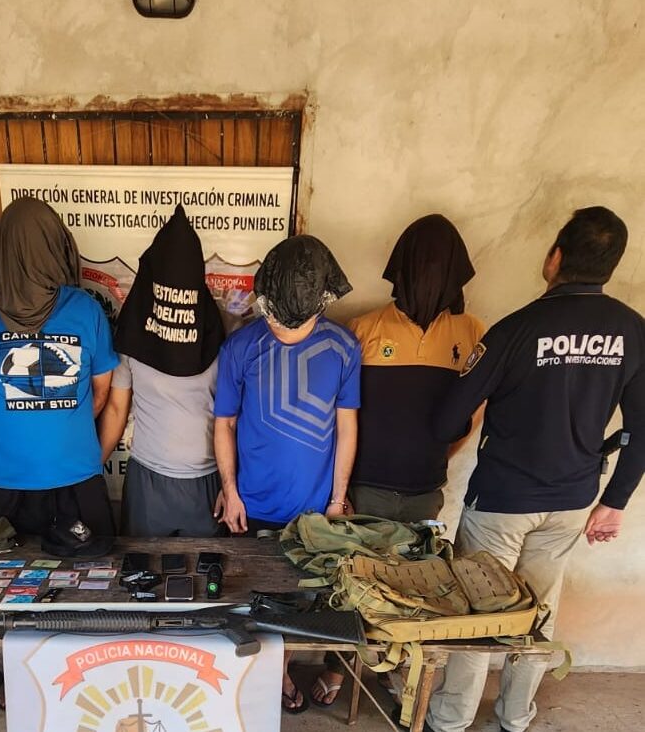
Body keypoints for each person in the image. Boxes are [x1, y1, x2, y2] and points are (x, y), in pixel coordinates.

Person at [424, 207, 644, 732]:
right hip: (572, 500)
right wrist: (614, 502)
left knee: (479, 611)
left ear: (555, 257)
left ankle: (451, 719)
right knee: (538, 611)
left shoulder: (516, 330)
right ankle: (515, 716)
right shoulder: (633, 332)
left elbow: (445, 420)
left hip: (501, 500)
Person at [312, 214, 486, 705]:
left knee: (415, 589)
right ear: (401, 270)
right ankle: (339, 668)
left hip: (425, 489)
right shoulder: (364, 329)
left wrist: (436, 455)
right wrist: (341, 490)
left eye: (439, 268)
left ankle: (395, 671)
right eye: (420, 267)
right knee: (353, 585)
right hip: (366, 487)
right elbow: (341, 415)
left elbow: (473, 412)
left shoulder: (471, 332)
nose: (428, 279)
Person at [213, 234, 361, 714]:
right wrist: (230, 490)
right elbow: (225, 423)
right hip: (252, 505)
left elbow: (346, 425)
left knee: (301, 605)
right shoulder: (241, 346)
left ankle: (280, 673)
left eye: (296, 320)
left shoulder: (343, 347)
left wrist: (337, 500)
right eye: (276, 317)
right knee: (253, 604)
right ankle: (265, 680)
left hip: (314, 513)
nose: (284, 328)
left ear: (322, 301)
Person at [0, 198, 118, 544]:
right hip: (28, 481)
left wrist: (11, 420)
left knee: (87, 571)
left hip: (63, 479)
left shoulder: (83, 309)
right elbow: (100, 392)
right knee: (25, 574)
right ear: (56, 244)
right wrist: (61, 422)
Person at [98, 205, 226, 537]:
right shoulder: (134, 333)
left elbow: (232, 418)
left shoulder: (221, 332)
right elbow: (116, 408)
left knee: (207, 568)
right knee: (142, 568)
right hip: (148, 481)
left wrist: (231, 484)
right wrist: (92, 469)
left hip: (207, 480)